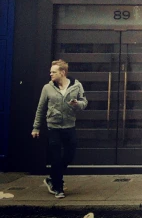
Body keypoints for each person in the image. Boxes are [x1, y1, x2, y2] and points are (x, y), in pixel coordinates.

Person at [31, 59, 88, 199]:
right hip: (54, 128)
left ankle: (52, 178)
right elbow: (40, 108)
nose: (50, 74)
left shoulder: (76, 85)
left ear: (62, 72)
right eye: (50, 72)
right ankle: (58, 187)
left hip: (69, 126)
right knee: (55, 158)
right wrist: (36, 128)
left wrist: (77, 104)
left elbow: (84, 102)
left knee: (69, 155)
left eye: (53, 72)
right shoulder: (47, 88)